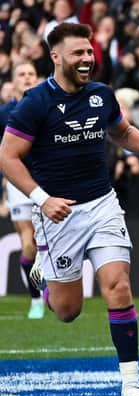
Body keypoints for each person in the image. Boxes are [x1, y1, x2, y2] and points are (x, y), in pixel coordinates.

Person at [0, 23, 139, 396]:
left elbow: (121, 132)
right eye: (78, 54)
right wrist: (42, 199)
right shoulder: (35, 102)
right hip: (59, 213)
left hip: (102, 204)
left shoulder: (102, 94)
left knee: (118, 286)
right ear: (56, 57)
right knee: (67, 311)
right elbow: (7, 156)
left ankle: (131, 383)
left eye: (89, 52)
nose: (87, 59)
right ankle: (45, 270)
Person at [0, 61, 43, 319]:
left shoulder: (45, 106)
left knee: (46, 241)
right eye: (21, 74)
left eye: (31, 74)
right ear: (13, 81)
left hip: (47, 179)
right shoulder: (4, 113)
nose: (27, 77)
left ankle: (48, 287)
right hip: (18, 182)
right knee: (29, 241)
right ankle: (36, 298)